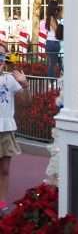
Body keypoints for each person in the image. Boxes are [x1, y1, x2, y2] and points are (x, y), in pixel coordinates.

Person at [0, 44, 30, 211]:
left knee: (4, 170)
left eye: (2, 56)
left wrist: (24, 85)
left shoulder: (9, 79)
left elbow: (26, 102)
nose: (0, 59)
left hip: (6, 129)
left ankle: (2, 205)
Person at [40, 1, 61, 78]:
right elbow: (57, 30)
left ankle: (52, 81)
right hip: (53, 43)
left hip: (52, 42)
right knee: (52, 64)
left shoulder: (51, 17)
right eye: (57, 7)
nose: (58, 8)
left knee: (53, 64)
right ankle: (51, 82)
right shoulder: (52, 18)